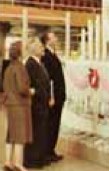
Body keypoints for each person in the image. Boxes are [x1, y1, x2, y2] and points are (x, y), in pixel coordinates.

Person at [3, 41, 32, 171]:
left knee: (11, 134)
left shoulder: (8, 68)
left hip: (10, 103)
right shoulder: (20, 67)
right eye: (25, 49)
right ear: (20, 53)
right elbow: (21, 88)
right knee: (20, 135)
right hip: (20, 104)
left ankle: (8, 161)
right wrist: (30, 91)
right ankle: (18, 163)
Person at [24, 39, 53, 169]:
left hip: (43, 103)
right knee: (36, 132)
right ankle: (32, 160)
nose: (43, 48)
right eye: (40, 46)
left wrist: (49, 97)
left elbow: (46, 82)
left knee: (41, 132)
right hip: (36, 104)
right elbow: (29, 85)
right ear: (33, 49)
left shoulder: (40, 63)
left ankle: (40, 157)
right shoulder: (30, 64)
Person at [40, 32, 66, 163]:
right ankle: (47, 151)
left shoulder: (53, 54)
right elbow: (48, 79)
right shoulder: (46, 55)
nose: (56, 38)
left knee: (55, 124)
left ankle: (51, 150)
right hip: (53, 97)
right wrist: (51, 96)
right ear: (48, 40)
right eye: (53, 36)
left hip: (58, 95)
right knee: (51, 124)